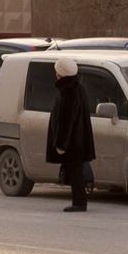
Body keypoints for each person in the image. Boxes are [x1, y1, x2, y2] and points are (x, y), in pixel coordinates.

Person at [46, 57, 95, 212]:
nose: (55, 74)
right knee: (76, 171)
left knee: (76, 172)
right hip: (79, 139)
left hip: (74, 141)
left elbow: (65, 120)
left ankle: (79, 202)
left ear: (61, 74)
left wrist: (61, 143)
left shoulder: (68, 92)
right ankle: (79, 201)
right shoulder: (78, 88)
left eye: (57, 71)